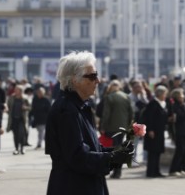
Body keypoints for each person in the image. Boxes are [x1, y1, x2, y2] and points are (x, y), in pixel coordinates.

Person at [45, 51, 134, 195]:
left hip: (84, 184)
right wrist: (112, 158)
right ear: (75, 80)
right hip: (74, 187)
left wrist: (118, 151)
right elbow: (77, 157)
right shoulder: (67, 110)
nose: (97, 81)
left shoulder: (79, 106)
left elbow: (93, 148)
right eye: (92, 76)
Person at [100, 79, 133, 178]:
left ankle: (115, 171)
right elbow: (131, 112)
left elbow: (106, 114)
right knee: (119, 148)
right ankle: (118, 171)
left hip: (111, 127)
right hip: (123, 127)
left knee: (113, 149)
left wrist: (103, 126)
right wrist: (129, 125)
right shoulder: (126, 96)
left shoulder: (109, 97)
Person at [144, 85, 169, 178]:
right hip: (153, 132)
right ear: (160, 94)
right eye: (164, 94)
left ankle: (156, 171)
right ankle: (150, 172)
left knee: (158, 151)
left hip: (160, 132)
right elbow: (149, 118)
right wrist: (150, 130)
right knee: (153, 152)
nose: (165, 95)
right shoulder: (153, 104)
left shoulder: (162, 103)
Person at [168, 88, 185, 177]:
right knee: (179, 151)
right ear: (177, 97)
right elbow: (179, 117)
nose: (183, 97)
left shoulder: (182, 105)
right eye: (181, 95)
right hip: (179, 132)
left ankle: (182, 168)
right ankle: (174, 169)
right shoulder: (174, 106)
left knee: (184, 151)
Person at [6, 85, 30, 155]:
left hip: (22, 119)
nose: (16, 91)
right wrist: (7, 110)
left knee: (21, 134)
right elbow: (8, 106)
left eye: (17, 90)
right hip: (13, 119)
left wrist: (26, 107)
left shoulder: (25, 98)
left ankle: (22, 148)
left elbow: (30, 107)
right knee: (15, 134)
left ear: (21, 91)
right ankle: (16, 148)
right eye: (15, 90)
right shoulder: (11, 98)